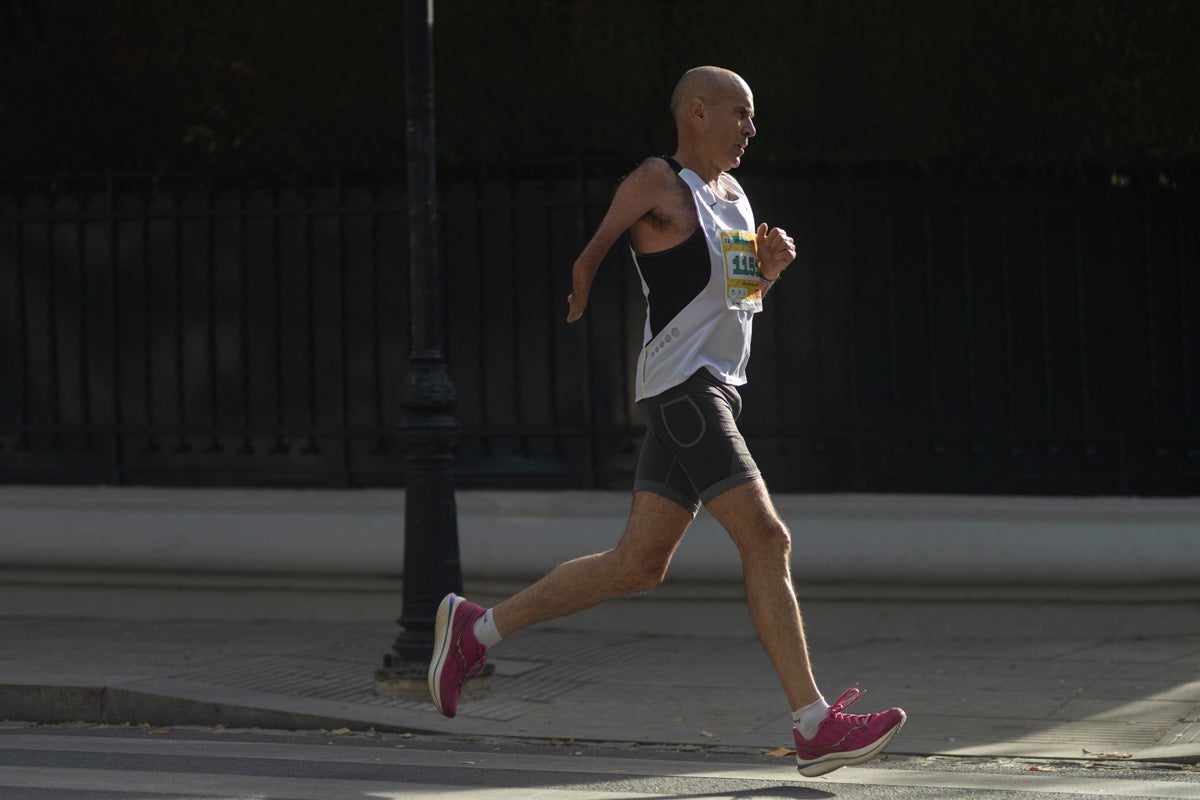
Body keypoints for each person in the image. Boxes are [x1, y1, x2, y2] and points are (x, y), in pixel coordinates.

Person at [428, 66, 905, 778]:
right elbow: (597, 248)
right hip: (686, 389)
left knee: (637, 566)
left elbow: (737, 299)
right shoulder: (659, 181)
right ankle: (813, 724)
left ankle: (477, 629)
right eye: (741, 114)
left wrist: (768, 270)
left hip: (714, 388)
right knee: (768, 538)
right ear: (697, 111)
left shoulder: (736, 198)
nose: (751, 129)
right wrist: (582, 286)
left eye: (752, 117)